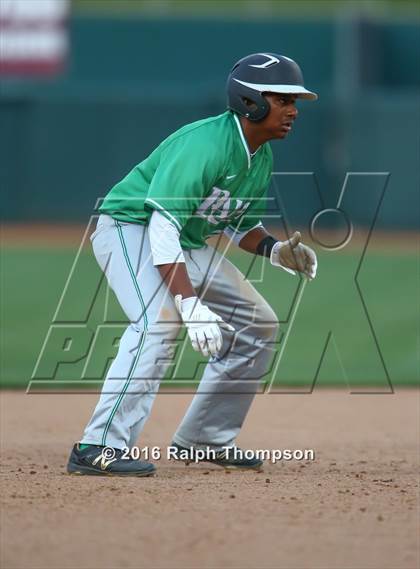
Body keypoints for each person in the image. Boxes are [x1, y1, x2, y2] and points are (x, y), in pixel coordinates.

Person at [67, 52, 318, 477]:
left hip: (182, 239)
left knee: (259, 324)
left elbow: (238, 225)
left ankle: (205, 439)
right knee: (159, 324)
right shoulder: (204, 144)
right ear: (251, 101)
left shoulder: (258, 156)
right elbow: (162, 226)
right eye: (282, 99)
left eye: (295, 101)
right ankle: (98, 446)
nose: (293, 110)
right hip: (130, 227)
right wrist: (187, 302)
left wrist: (275, 250)